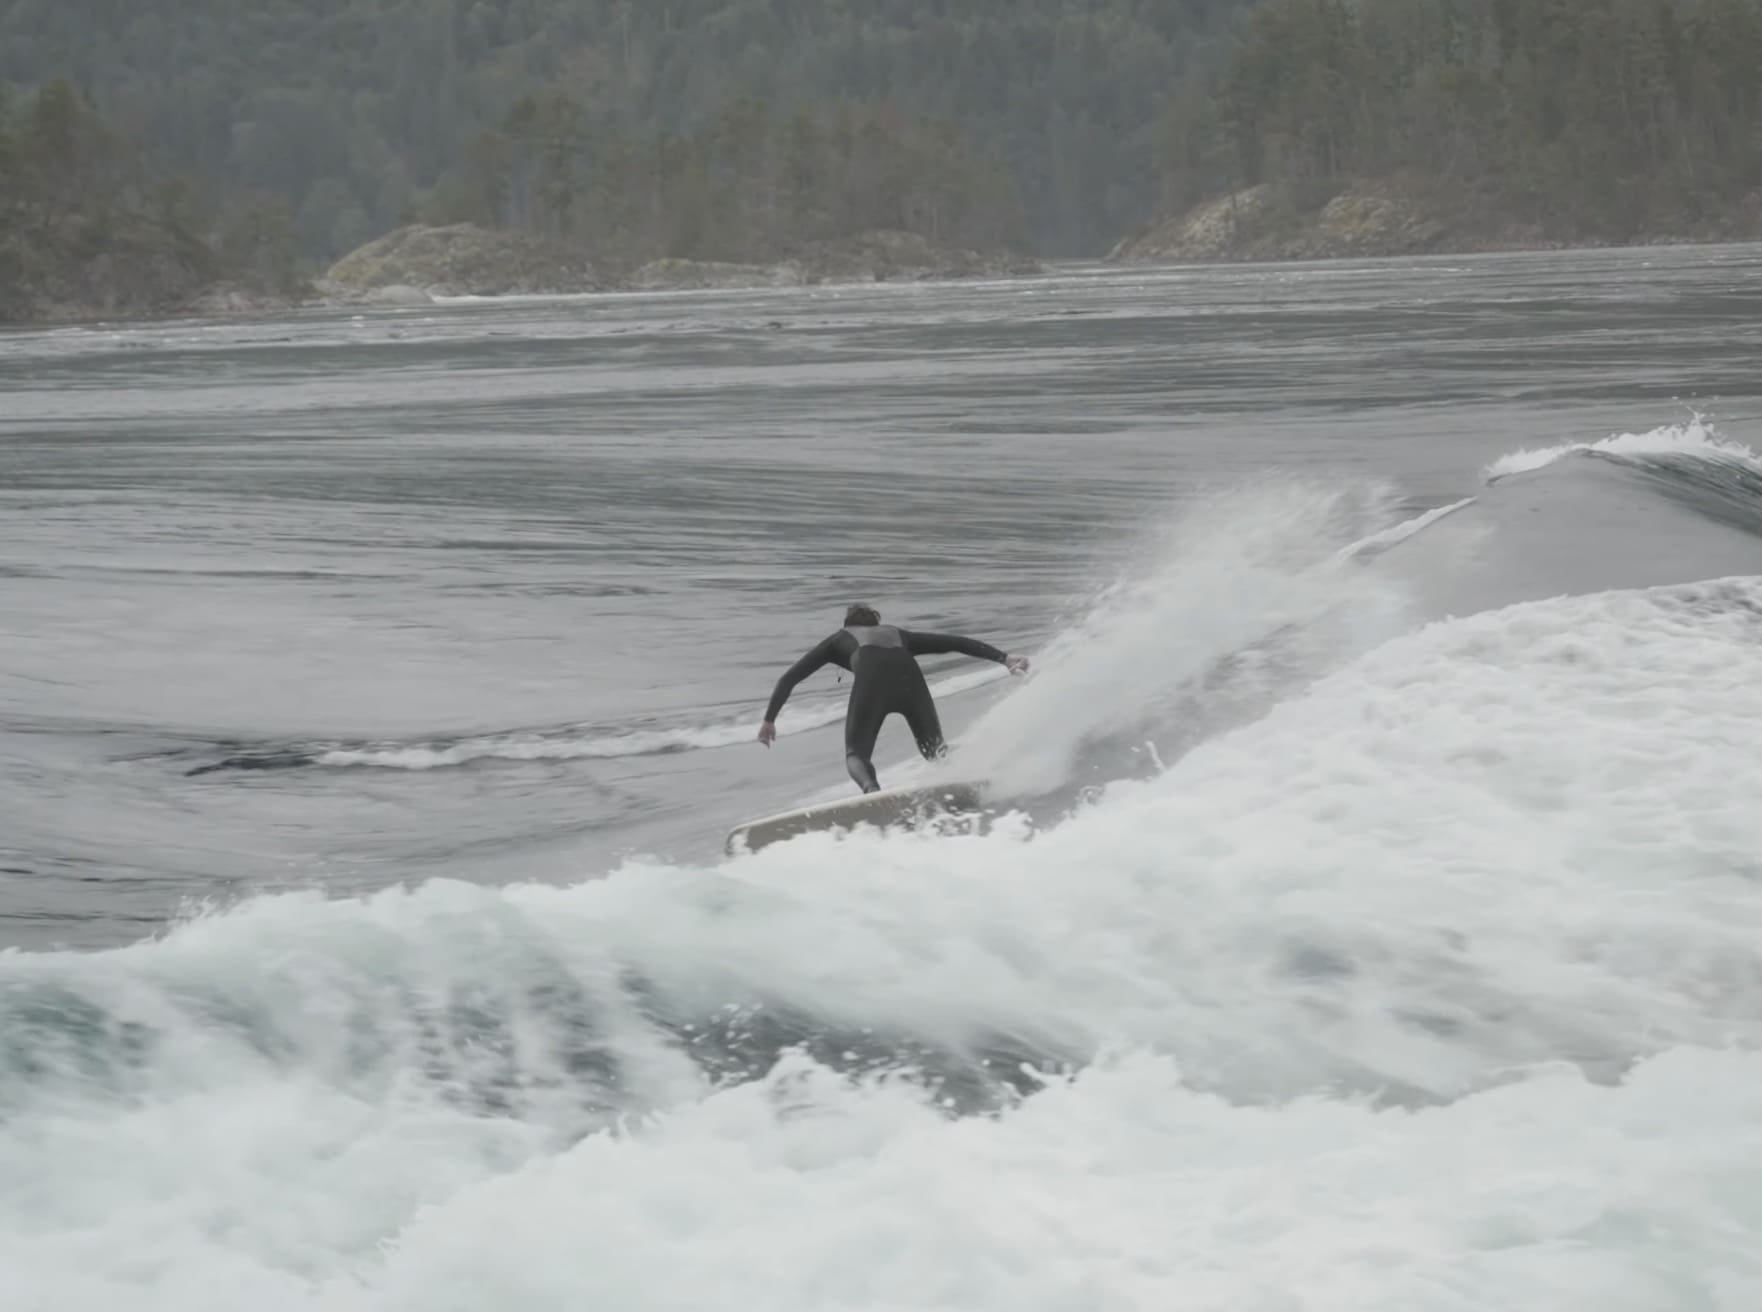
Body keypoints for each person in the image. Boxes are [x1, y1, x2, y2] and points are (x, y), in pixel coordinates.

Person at [758, 604, 1029, 793]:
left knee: (856, 754)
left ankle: (872, 791)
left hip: (872, 683)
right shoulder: (899, 634)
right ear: (875, 624)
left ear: (848, 626)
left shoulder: (839, 639)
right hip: (910, 679)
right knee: (935, 751)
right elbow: (955, 642)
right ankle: (973, 773)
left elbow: (789, 678)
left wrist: (769, 720)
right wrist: (1004, 658)